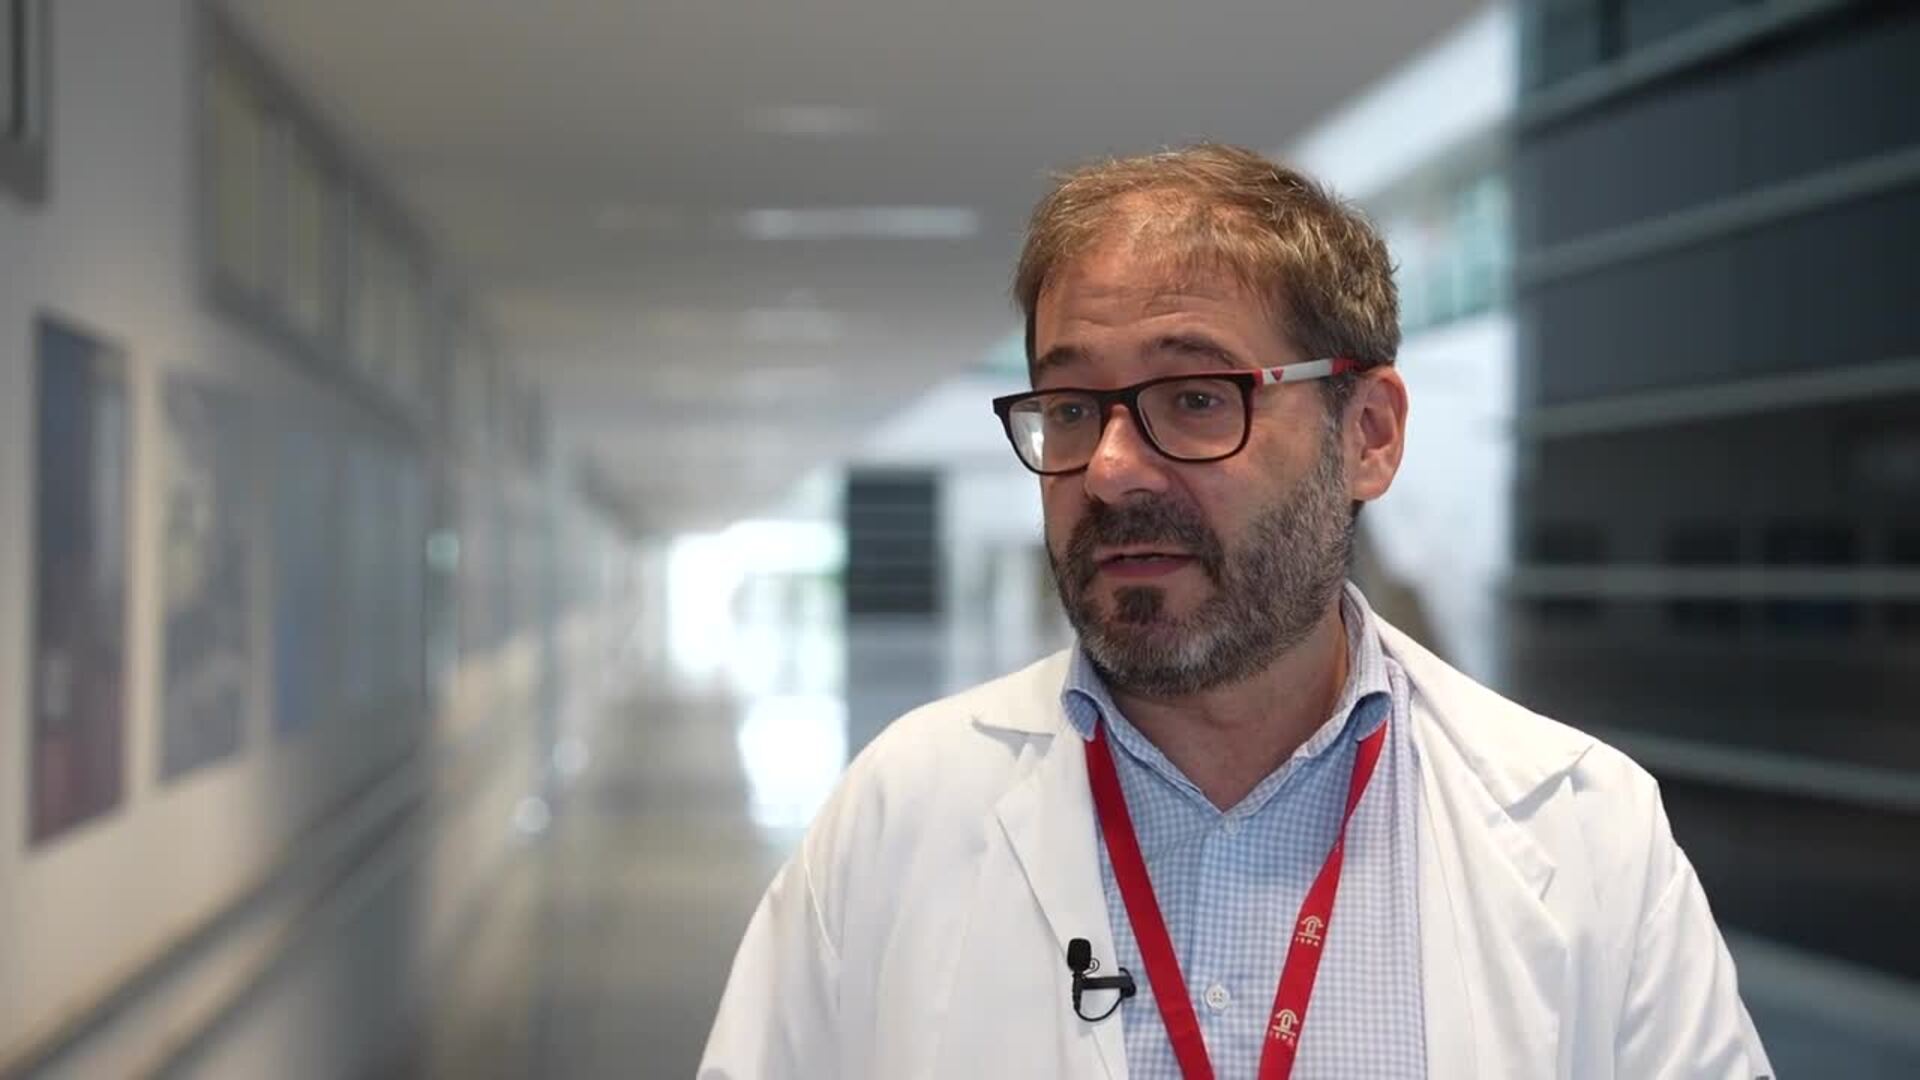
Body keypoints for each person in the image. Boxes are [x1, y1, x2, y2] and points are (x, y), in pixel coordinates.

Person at [699, 143, 1772, 1080]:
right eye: (1071, 408)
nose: (1110, 469)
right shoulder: (898, 813)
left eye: (1197, 399)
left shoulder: (1587, 834)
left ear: (1368, 435)